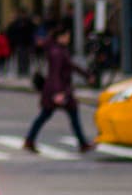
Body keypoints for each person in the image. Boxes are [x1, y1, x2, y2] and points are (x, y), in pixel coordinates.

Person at [23, 24, 93, 153]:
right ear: (60, 37)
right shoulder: (57, 52)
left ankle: (30, 140)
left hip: (59, 90)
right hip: (57, 90)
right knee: (48, 115)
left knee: (52, 115)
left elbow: (71, 66)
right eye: (67, 36)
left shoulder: (59, 49)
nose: (68, 38)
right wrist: (58, 93)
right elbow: (55, 74)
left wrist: (86, 75)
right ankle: (29, 140)